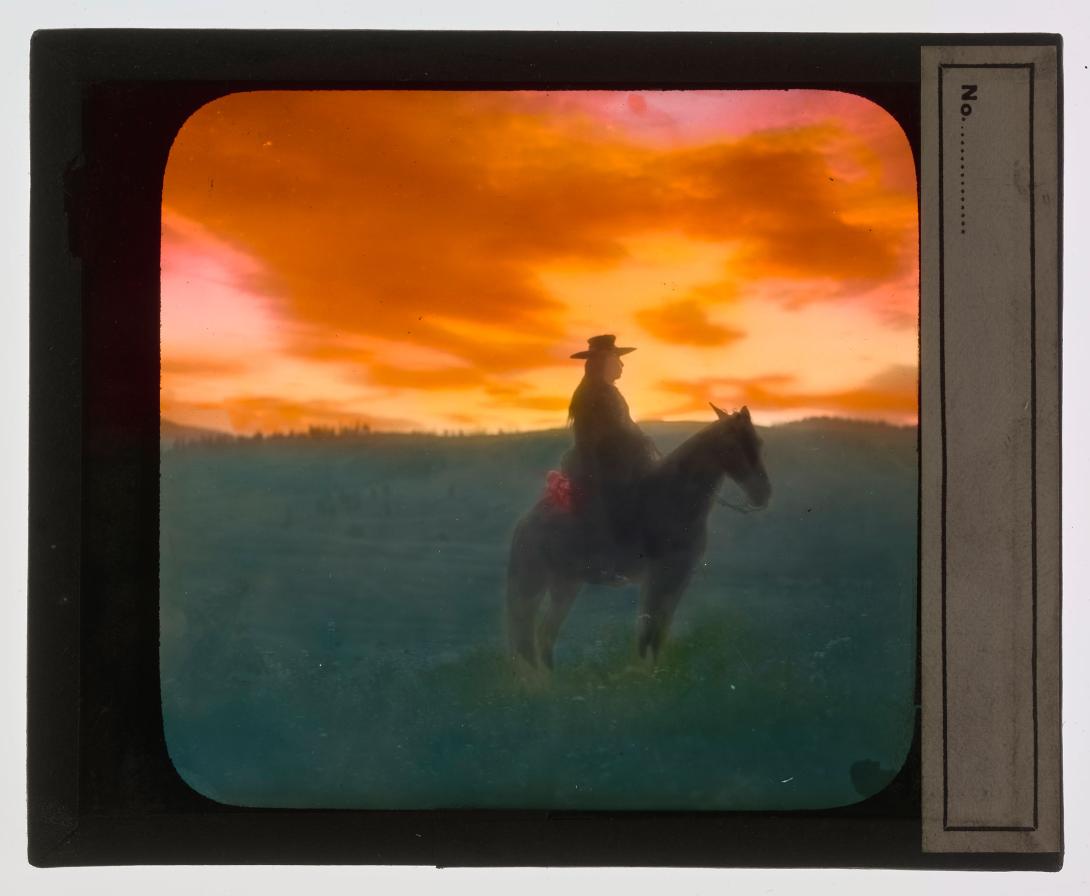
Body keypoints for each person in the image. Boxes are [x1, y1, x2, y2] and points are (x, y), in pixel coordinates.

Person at [562, 334, 659, 582]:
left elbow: (626, 426)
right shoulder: (592, 394)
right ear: (604, 361)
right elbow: (606, 434)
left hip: (615, 460)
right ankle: (600, 566)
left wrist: (643, 440)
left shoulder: (608, 392)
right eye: (618, 359)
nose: (622, 365)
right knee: (611, 501)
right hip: (596, 464)